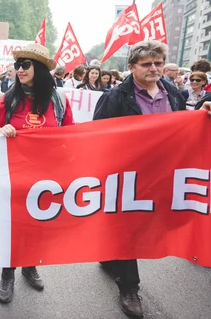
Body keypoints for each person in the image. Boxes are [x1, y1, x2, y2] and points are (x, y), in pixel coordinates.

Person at [93, 40, 186, 318]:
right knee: (128, 227)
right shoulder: (114, 98)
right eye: (147, 64)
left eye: (158, 62)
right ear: (131, 67)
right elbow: (98, 136)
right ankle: (129, 288)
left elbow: (183, 127)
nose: (154, 68)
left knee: (149, 224)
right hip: (127, 175)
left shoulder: (174, 94)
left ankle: (110, 257)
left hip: (161, 172)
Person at [0, 43, 74, 304]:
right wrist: (0, 131)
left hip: (45, 176)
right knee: (12, 225)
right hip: (13, 174)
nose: (19, 70)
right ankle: (7, 273)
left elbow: (71, 135)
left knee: (36, 224)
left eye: (25, 65)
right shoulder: (9, 98)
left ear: (38, 68)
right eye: (17, 65)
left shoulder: (59, 100)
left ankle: (30, 266)